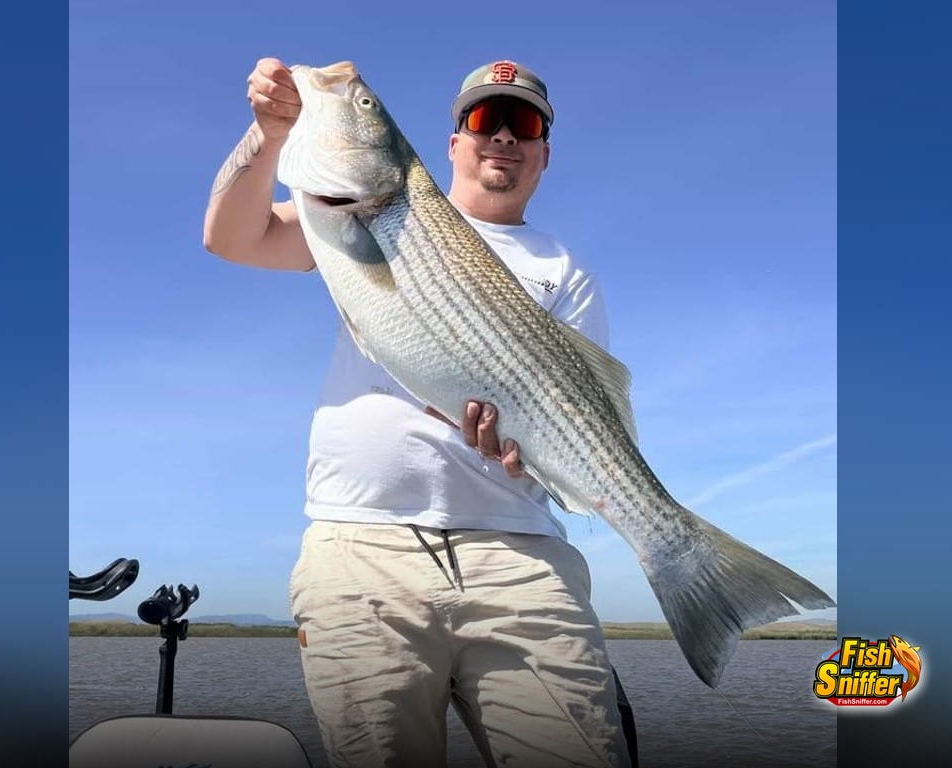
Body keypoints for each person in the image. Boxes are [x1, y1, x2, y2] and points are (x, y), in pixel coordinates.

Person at [203, 57, 637, 768]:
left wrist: (529, 443)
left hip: (522, 555)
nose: (501, 136)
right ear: (452, 143)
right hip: (362, 549)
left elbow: (583, 416)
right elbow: (231, 239)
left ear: (543, 152)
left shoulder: (565, 269)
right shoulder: (344, 211)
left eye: (522, 123)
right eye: (482, 120)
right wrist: (270, 135)